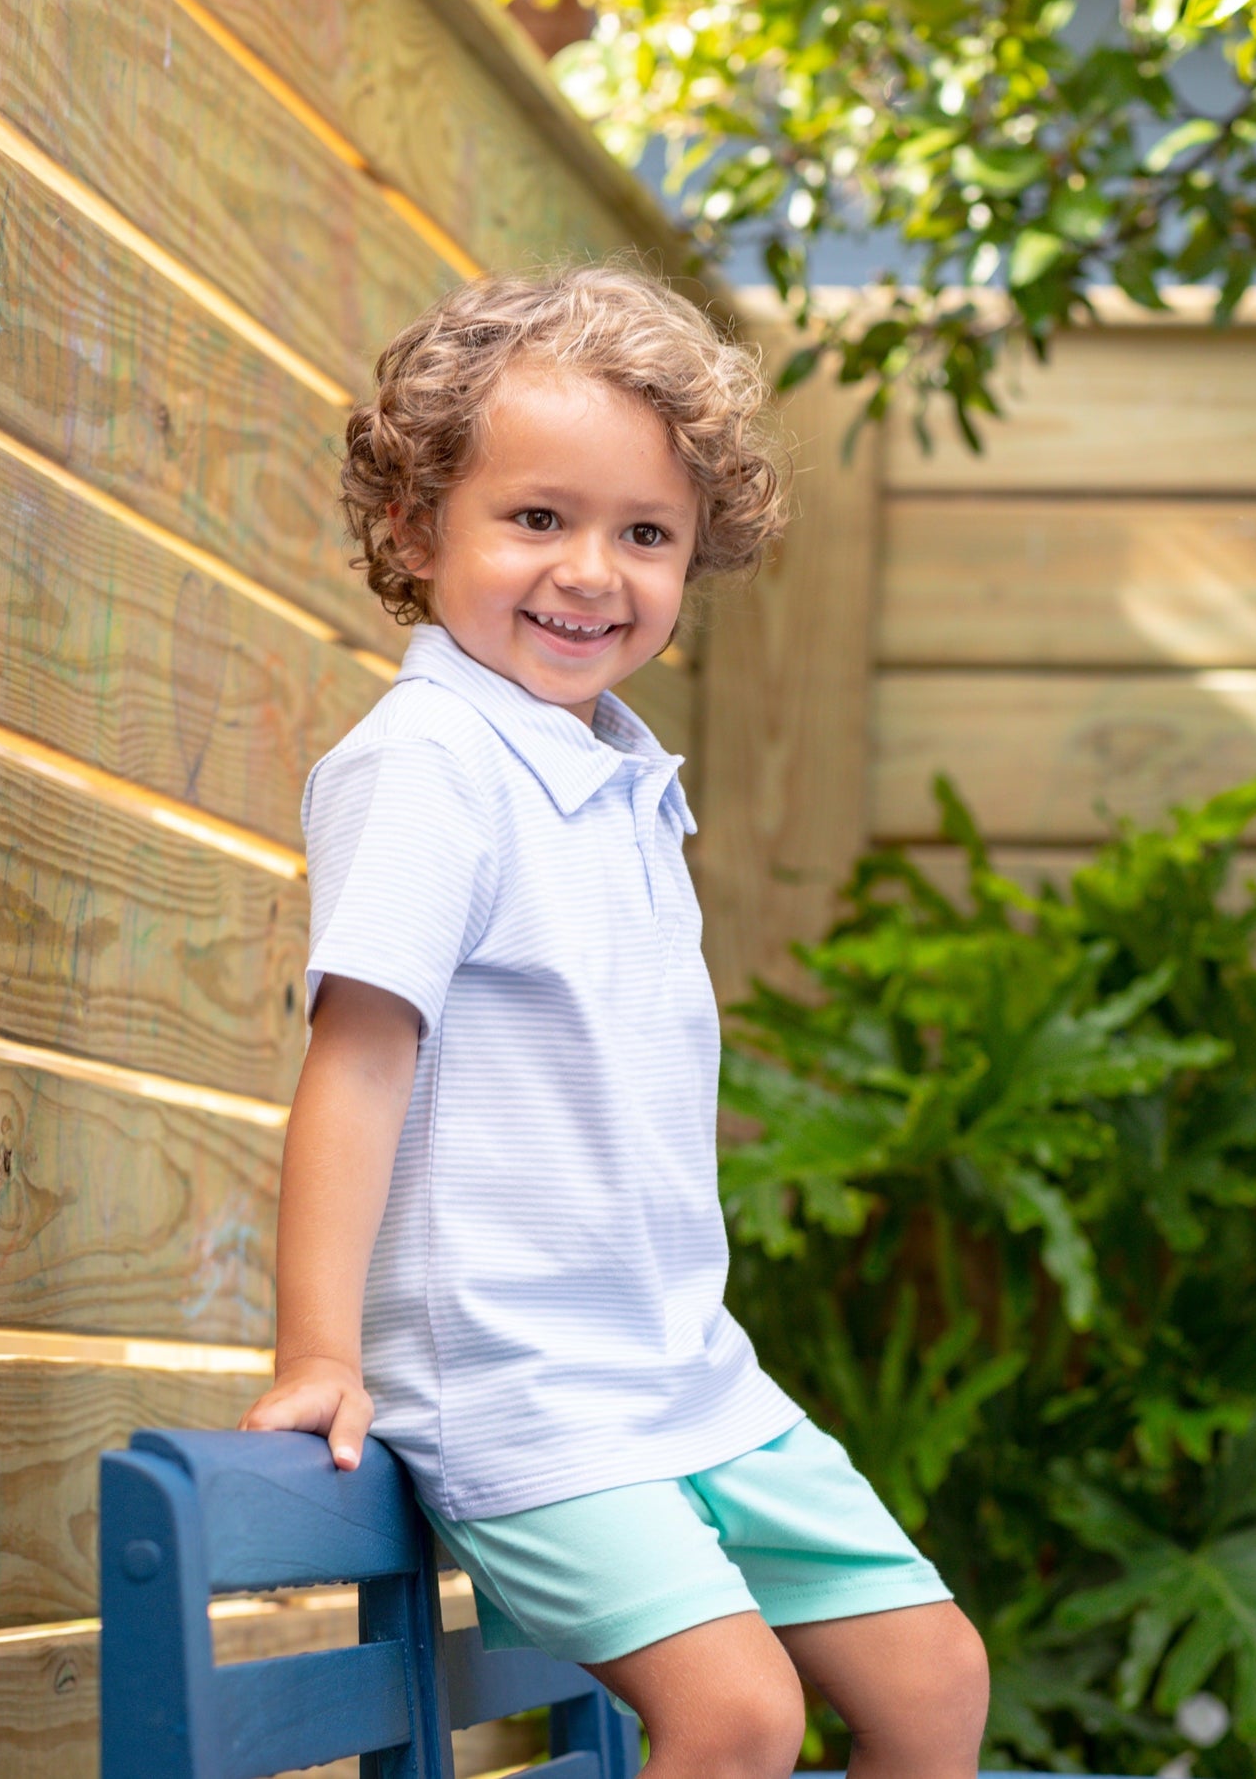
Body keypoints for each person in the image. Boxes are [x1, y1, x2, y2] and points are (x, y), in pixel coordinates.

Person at [240, 264, 989, 1779]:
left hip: (683, 1373)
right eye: (536, 519)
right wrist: (321, 1344)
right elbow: (361, 1058)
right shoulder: (433, 762)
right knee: (736, 1713)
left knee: (930, 1676)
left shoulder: (613, 774)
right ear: (412, 527)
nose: (593, 570)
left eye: (644, 534)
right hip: (519, 1387)